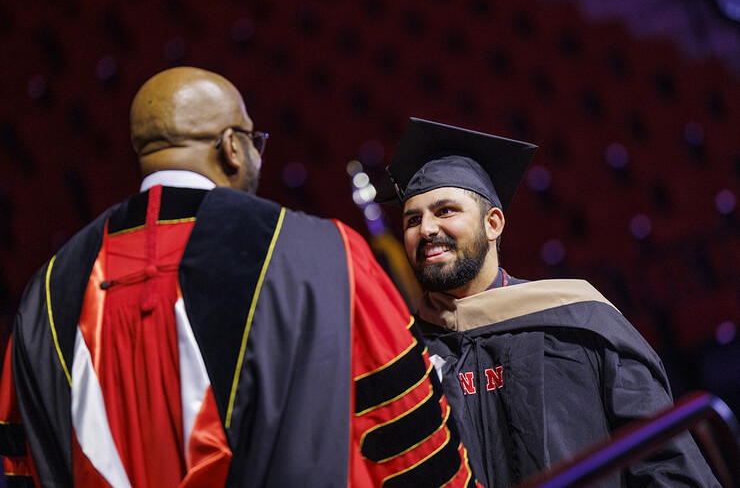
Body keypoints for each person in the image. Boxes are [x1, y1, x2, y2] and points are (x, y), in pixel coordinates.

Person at [0, 68, 479, 487]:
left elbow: (25, 461)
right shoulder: (320, 255)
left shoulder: (46, 292)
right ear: (233, 148)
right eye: (256, 143)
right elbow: (403, 439)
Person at [375, 117, 720, 487]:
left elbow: (665, 463)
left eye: (445, 211)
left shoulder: (578, 321)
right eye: (413, 219)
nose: (425, 229)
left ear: (493, 224)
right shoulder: (408, 360)